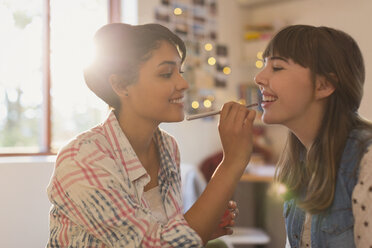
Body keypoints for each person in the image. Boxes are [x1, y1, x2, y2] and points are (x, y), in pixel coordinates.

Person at [46, 23, 256, 247]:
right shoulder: (81, 159)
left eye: (180, 72)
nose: (183, 84)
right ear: (120, 85)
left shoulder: (167, 146)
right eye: (166, 74)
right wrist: (231, 162)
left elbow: (164, 232)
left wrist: (201, 228)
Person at [254, 24, 372, 247]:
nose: (258, 78)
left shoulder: (367, 161)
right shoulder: (297, 164)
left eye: (277, 67)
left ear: (324, 85)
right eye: (263, 66)